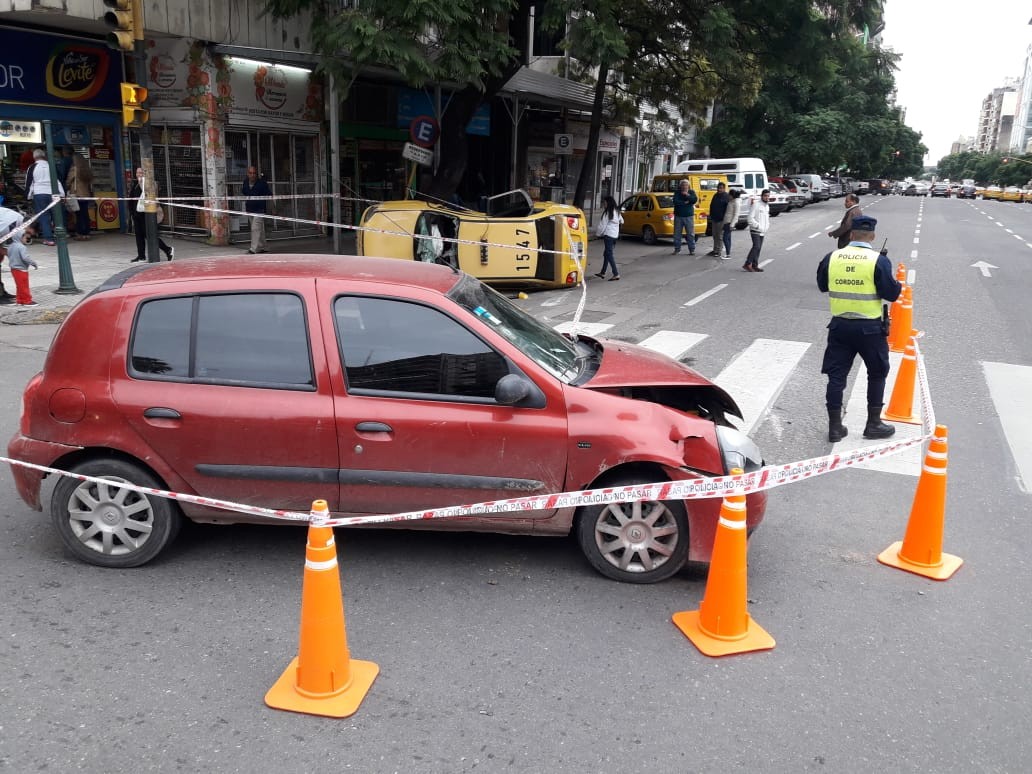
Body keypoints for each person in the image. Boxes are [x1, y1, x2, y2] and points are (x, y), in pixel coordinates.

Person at [816, 215, 902, 442]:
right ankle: (873, 424)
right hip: (870, 329)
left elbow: (822, 286)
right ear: (872, 236)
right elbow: (892, 294)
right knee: (877, 373)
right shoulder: (878, 261)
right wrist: (895, 281)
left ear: (851, 234)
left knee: (836, 376)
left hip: (840, 326)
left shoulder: (832, 257)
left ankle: (835, 427)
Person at [130, 168, 174, 262]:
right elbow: (131, 199)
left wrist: (142, 183)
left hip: (145, 215)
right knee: (139, 236)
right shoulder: (135, 184)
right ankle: (141, 256)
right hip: (136, 214)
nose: (139, 174)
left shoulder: (148, 184)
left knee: (149, 235)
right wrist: (132, 213)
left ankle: (168, 250)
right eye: (137, 172)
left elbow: (150, 196)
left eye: (141, 173)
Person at [26, 149, 62, 246]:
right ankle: (61, 237)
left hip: (39, 194)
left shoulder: (32, 167)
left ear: (34, 157)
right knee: (57, 216)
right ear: (44, 156)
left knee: (44, 217)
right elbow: (59, 180)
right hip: (54, 193)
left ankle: (48, 239)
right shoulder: (52, 166)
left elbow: (29, 182)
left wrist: (28, 196)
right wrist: (62, 194)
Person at [4, 225, 39, 306]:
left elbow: (9, 254)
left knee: (19, 285)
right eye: (25, 237)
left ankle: (20, 300)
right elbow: (25, 257)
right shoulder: (21, 247)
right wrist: (33, 263)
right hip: (21, 269)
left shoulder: (11, 246)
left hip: (13, 269)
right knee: (24, 286)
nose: (26, 239)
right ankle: (27, 301)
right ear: (20, 237)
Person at [242, 166, 272, 254]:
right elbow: (244, 192)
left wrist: (272, 207)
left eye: (254, 173)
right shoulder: (245, 182)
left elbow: (269, 194)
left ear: (256, 174)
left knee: (255, 228)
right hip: (250, 208)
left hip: (260, 210)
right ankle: (264, 247)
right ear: (247, 174)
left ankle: (253, 249)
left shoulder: (262, 183)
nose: (252, 175)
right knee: (260, 229)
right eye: (250, 173)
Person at [65, 153, 94, 241]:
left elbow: (68, 181)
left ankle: (80, 233)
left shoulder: (74, 169)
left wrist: (66, 187)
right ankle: (86, 233)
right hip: (86, 195)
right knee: (85, 214)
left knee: (78, 215)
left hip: (77, 194)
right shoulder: (87, 169)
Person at [594, 195, 623, 281]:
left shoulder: (607, 213)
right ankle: (603, 272)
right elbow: (622, 221)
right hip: (614, 236)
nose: (604, 204)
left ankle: (616, 274)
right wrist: (615, 224)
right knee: (606, 253)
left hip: (608, 236)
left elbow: (602, 226)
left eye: (605, 203)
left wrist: (598, 234)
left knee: (609, 254)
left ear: (608, 203)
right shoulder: (616, 212)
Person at [743, 189, 770, 272]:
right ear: (762, 196)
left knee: (758, 248)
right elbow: (750, 218)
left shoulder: (767, 206)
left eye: (768, 196)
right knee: (756, 246)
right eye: (765, 196)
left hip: (762, 231)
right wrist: (758, 226)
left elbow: (766, 218)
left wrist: (766, 226)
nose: (767, 197)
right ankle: (747, 264)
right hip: (755, 230)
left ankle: (755, 265)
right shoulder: (756, 205)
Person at [671, 179, 697, 255]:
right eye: (683, 185)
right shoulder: (677, 193)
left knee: (690, 234)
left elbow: (694, 200)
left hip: (689, 216)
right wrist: (685, 202)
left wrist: (687, 195)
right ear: (680, 186)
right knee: (677, 234)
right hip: (678, 216)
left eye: (686, 185)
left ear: (688, 186)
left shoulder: (691, 192)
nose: (684, 186)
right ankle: (677, 249)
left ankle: (692, 250)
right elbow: (675, 202)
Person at [706, 182, 729, 257]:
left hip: (721, 219)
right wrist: (711, 215)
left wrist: (725, 219)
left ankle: (719, 251)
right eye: (718, 188)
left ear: (724, 188)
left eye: (721, 188)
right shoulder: (715, 195)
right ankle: (715, 250)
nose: (719, 189)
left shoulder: (726, 196)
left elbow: (727, 209)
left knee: (719, 236)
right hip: (714, 218)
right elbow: (711, 205)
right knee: (714, 235)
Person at [720, 189, 742, 260]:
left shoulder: (736, 202)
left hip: (730, 222)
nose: (728, 196)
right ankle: (728, 253)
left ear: (732, 195)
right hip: (727, 221)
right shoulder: (732, 201)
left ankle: (728, 254)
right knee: (728, 238)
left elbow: (736, 214)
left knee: (725, 238)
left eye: (729, 195)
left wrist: (732, 225)